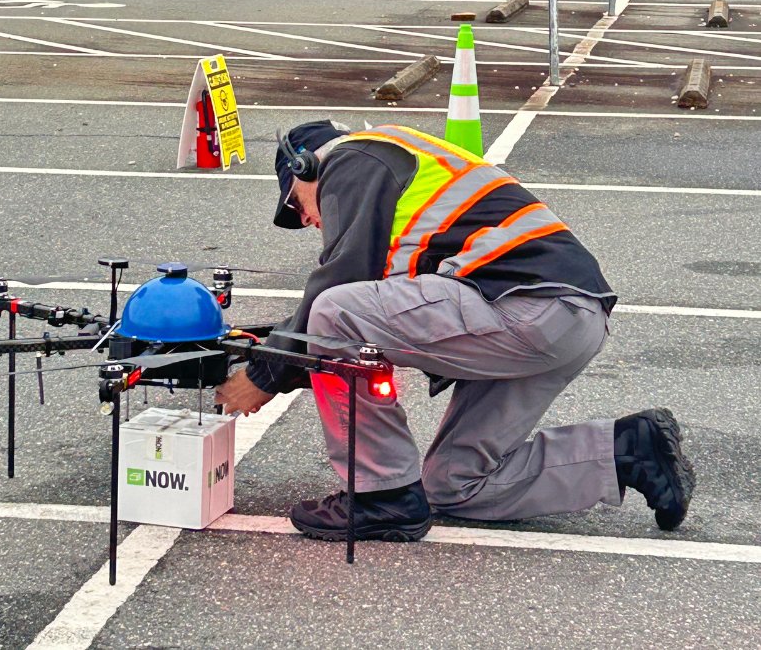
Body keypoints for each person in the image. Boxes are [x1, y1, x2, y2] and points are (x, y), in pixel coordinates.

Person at [215, 121, 695, 542]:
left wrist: (263, 375)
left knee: (334, 308)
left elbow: (339, 293)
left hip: (526, 307)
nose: (306, 220)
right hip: (565, 319)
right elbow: (363, 328)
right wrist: (271, 354)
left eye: (296, 206)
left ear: (305, 169)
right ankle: (627, 450)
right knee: (454, 485)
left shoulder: (353, 159)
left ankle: (379, 494)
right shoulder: (393, 167)